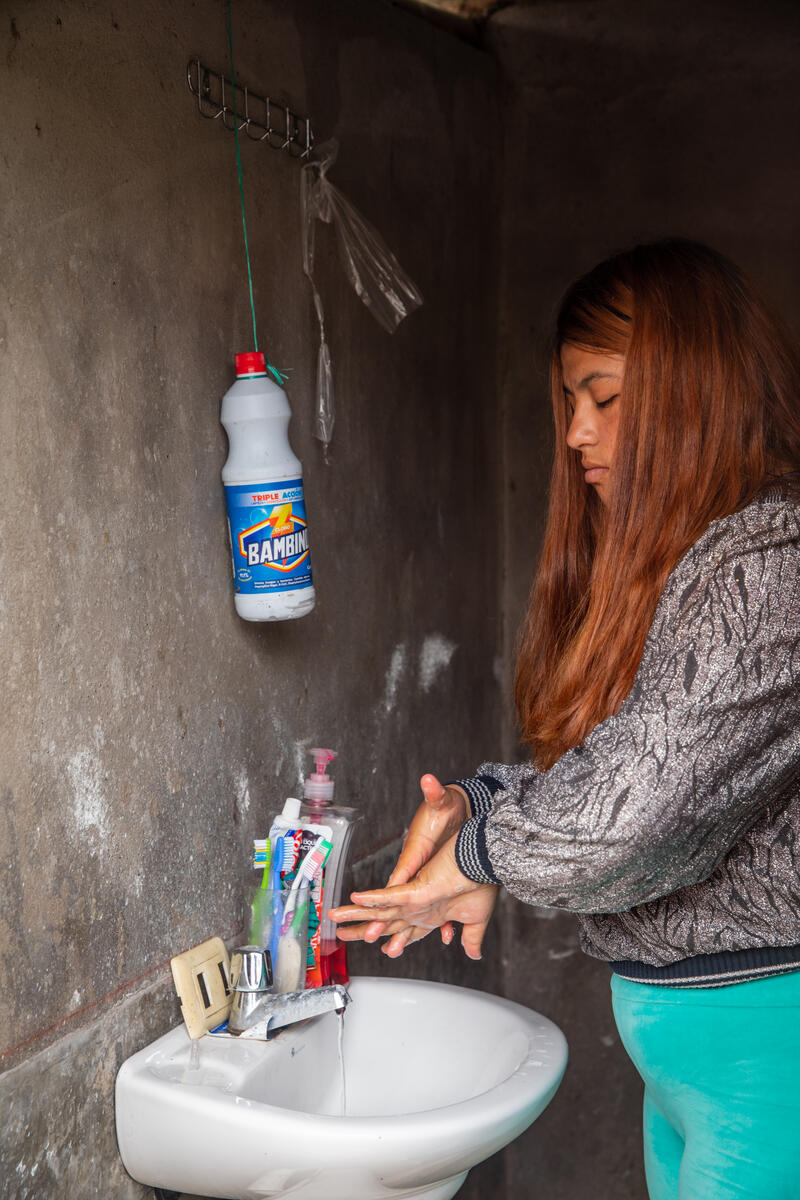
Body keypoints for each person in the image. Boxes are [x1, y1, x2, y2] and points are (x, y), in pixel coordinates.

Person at [330, 239, 800, 1200]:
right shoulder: (701, 565)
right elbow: (629, 760)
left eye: (605, 397)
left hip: (766, 1056)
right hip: (699, 1062)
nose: (577, 433)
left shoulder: (770, 565)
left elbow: (636, 810)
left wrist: (481, 851)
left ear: (693, 388)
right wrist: (479, 805)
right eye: (569, 405)